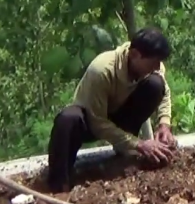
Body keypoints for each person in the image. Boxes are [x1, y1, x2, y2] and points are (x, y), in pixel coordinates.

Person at [46, 27, 177, 192]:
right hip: (90, 120)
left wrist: (164, 124)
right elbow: (97, 122)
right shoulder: (102, 70)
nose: (157, 66)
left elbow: (164, 91)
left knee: (156, 84)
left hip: (119, 116)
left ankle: (124, 154)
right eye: (153, 62)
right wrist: (139, 144)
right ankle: (58, 186)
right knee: (67, 119)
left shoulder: (153, 66)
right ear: (135, 55)